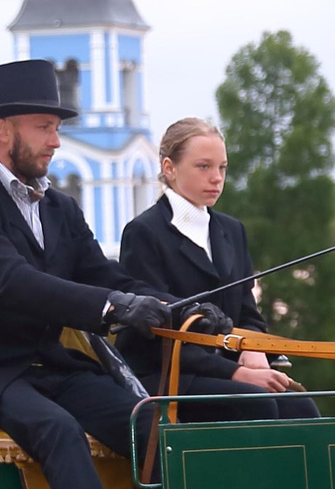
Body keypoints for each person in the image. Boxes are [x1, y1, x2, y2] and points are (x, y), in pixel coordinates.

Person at [0, 60, 231, 489]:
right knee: (57, 430)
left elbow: (108, 279)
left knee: (148, 417)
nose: (56, 140)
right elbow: (12, 283)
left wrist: (178, 308)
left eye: (55, 127)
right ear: (4, 131)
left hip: (53, 366)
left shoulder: (60, 207)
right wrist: (115, 307)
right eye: (44, 127)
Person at [115, 117, 320, 421]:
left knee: (301, 406)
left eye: (222, 168)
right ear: (169, 168)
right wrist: (236, 372)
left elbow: (248, 314)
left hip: (226, 371)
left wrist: (254, 349)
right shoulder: (144, 232)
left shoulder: (231, 230)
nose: (216, 178)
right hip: (167, 375)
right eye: (204, 167)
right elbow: (154, 334)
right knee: (256, 403)